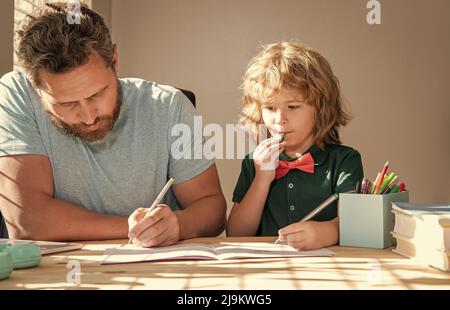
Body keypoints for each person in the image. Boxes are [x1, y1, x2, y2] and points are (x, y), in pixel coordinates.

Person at [0, 3, 226, 247]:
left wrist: (179, 225)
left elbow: (211, 208)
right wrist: (135, 230)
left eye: (97, 94)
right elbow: (27, 221)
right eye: (66, 104)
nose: (88, 117)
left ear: (115, 60)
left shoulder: (170, 105)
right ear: (36, 89)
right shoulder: (16, 93)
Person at [227, 42, 364, 250]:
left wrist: (327, 232)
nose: (280, 119)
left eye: (292, 107)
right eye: (270, 107)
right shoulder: (253, 162)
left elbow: (356, 223)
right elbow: (236, 233)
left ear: (320, 107)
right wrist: (262, 179)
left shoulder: (345, 161)